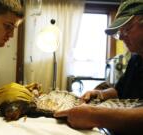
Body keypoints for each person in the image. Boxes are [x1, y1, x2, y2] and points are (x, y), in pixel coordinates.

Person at [54, 0, 143, 134]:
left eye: (127, 28)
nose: (122, 37)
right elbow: (120, 91)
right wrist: (100, 94)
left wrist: (95, 115)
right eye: (120, 32)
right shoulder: (136, 59)